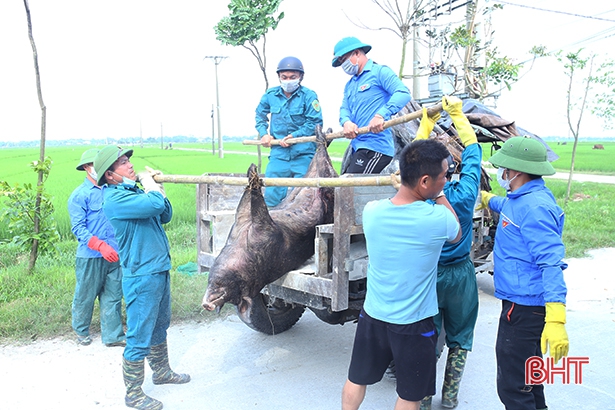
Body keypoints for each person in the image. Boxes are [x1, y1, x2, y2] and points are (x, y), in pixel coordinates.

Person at [342, 138, 462, 410]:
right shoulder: (438, 219)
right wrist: (439, 196)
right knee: (410, 395)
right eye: (444, 177)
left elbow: (399, 200)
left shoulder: (372, 212)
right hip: (414, 323)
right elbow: (457, 233)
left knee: (356, 379)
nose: (446, 181)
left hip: (373, 316)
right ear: (424, 181)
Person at [94, 146, 190, 410]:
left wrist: (157, 188)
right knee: (138, 335)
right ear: (110, 175)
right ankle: (133, 394)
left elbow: (165, 213)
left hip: (158, 268)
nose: (129, 165)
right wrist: (150, 185)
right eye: (123, 163)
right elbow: (155, 204)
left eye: (128, 160)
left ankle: (162, 372)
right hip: (141, 274)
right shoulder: (115, 199)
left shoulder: (132, 191)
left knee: (160, 325)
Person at [478, 136, 569, 410]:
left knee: (513, 388)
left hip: (525, 309)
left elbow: (551, 262)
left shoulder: (534, 208)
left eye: (503, 168)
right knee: (530, 381)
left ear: (514, 171)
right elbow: (509, 209)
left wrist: (556, 316)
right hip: (523, 305)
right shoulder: (525, 198)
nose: (501, 173)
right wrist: (488, 199)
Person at [413, 96, 482, 410]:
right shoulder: (467, 193)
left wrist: (425, 123)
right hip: (461, 276)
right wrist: (457, 115)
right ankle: (450, 397)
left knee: (427, 337)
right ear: (452, 170)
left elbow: (410, 163)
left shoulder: (421, 197)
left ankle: (423, 401)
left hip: (429, 276)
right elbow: (474, 152)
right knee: (461, 336)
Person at [68, 148, 125, 347]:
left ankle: (113, 335)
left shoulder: (113, 190)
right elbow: (78, 228)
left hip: (116, 253)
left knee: (113, 295)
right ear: (86, 167)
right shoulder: (79, 195)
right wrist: (100, 246)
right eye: (94, 164)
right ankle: (81, 331)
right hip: (90, 256)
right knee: (85, 295)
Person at [332, 36, 411, 174]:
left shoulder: (380, 72)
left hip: (375, 148)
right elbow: (344, 109)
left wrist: (381, 115)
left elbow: (403, 93)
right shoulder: (350, 85)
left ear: (357, 53)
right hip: (357, 147)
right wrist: (346, 122)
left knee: (352, 188)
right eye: (340, 62)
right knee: (346, 188)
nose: (343, 65)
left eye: (344, 59)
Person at [255, 56, 323, 207]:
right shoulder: (270, 95)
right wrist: (264, 133)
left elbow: (315, 122)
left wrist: (294, 136)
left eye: (293, 77)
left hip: (303, 153)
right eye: (284, 77)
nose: (288, 80)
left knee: (304, 197)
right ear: (279, 77)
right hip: (279, 154)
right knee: (272, 194)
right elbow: (260, 115)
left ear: (300, 77)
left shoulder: (309, 96)